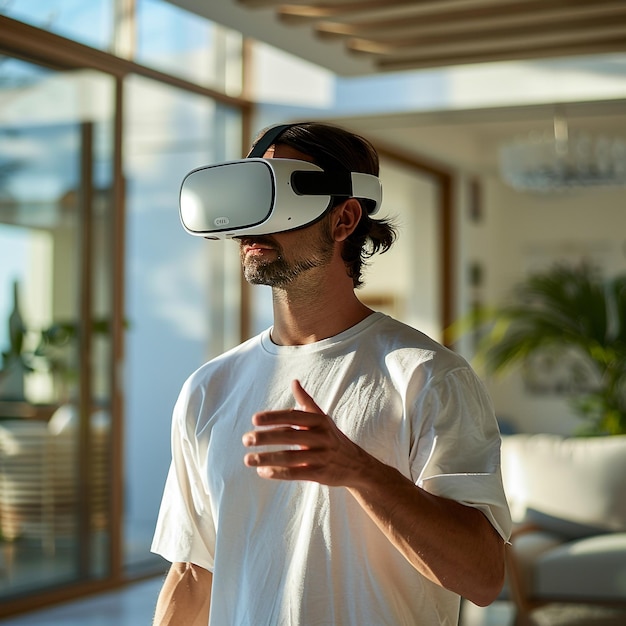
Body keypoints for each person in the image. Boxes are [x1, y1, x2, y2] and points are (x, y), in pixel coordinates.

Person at [151, 122, 512, 626]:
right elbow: (193, 572)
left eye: (275, 198)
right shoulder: (208, 388)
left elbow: (482, 576)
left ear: (344, 219)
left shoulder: (428, 376)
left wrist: (359, 471)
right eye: (247, 199)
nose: (251, 227)